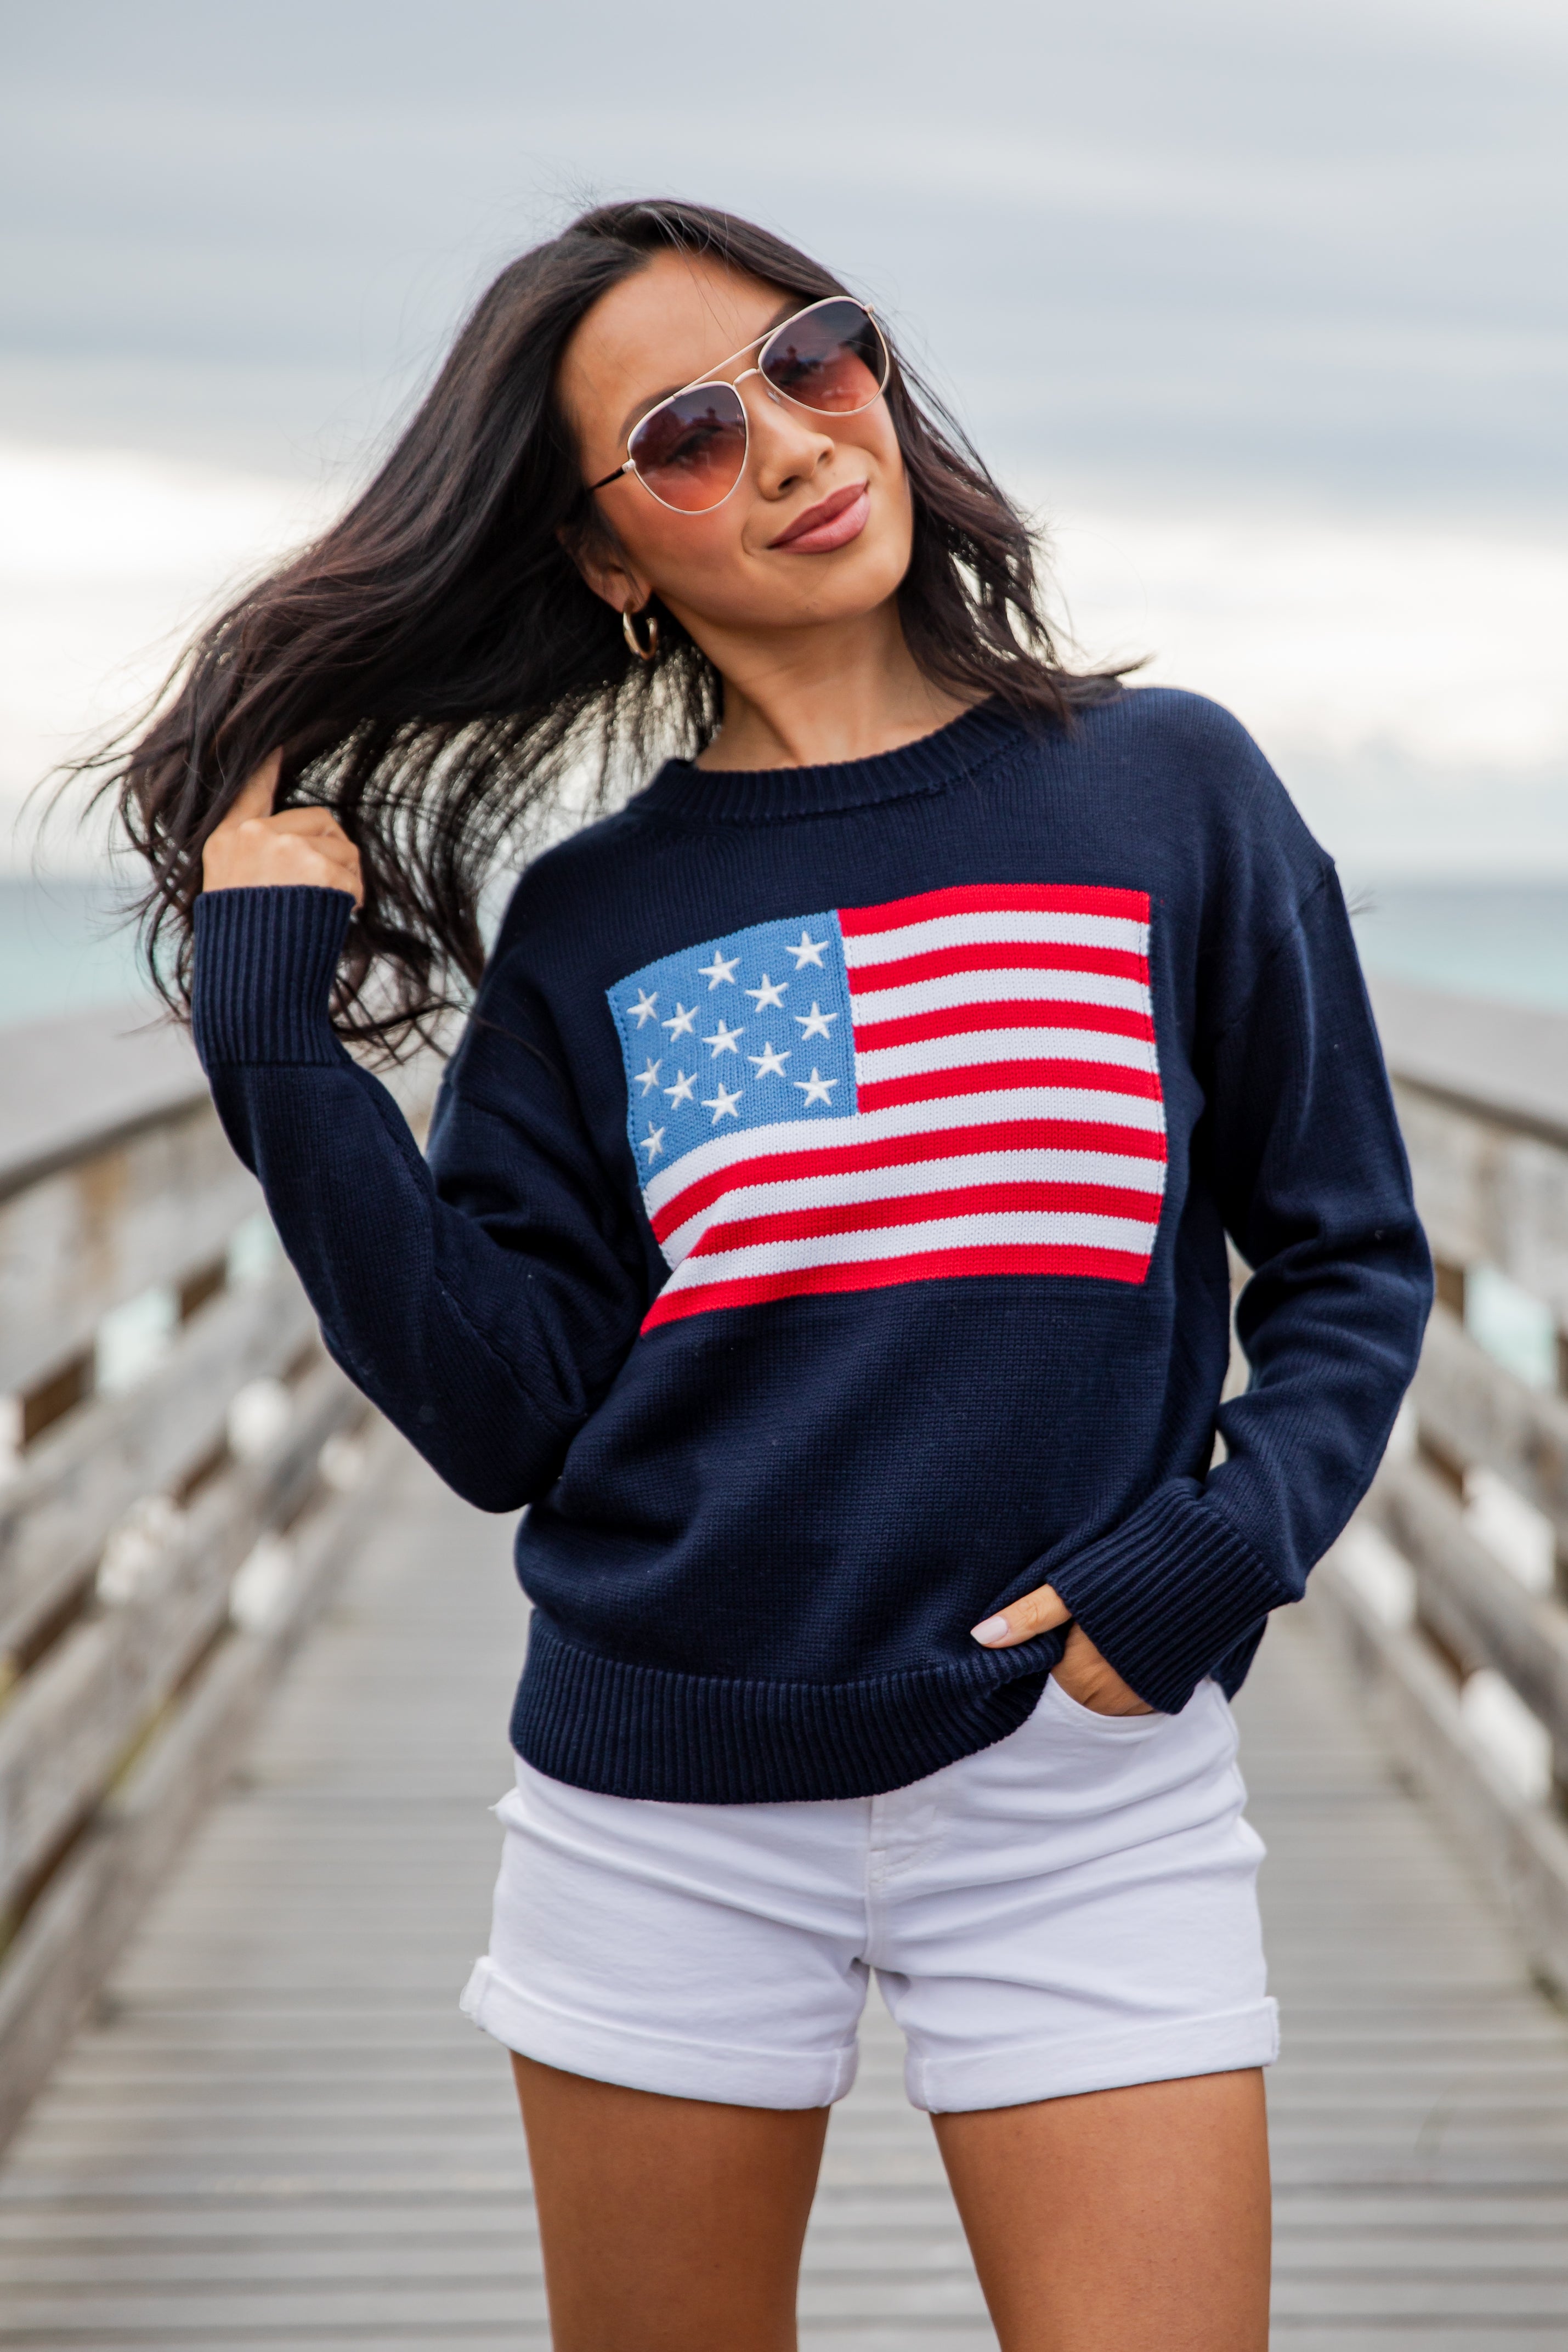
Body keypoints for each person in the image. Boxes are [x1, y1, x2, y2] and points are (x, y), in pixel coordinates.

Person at [110, 199, 1430, 2351]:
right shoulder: (598, 924)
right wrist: (276, 1036)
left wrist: (1216, 1549)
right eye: (693, 437)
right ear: (615, 564)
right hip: (665, 1809)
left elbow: (1350, 1255)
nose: (800, 443)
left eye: (817, 361)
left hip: (1078, 1788)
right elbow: (498, 1406)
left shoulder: (1166, 790)